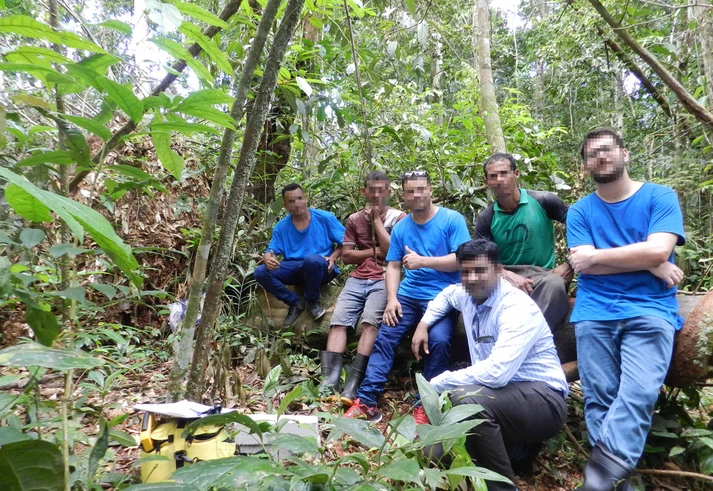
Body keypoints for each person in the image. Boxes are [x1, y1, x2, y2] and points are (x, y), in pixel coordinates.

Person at [567, 128, 685, 491]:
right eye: (592, 154)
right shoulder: (580, 210)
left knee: (638, 393)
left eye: (606, 150)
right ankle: (616, 485)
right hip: (594, 311)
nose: (600, 157)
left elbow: (657, 250)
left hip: (649, 310)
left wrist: (646, 258)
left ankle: (599, 479)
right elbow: (583, 265)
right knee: (599, 398)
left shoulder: (659, 197)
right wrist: (647, 260)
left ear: (624, 154)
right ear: (586, 165)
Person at [411, 239, 568, 491]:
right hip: (499, 400)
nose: (472, 278)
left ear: (498, 270)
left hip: (543, 399)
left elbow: (496, 373)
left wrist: (436, 383)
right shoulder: (466, 294)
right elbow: (446, 295)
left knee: (467, 399)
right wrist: (423, 324)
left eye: (480, 270)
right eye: (466, 271)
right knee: (433, 450)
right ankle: (514, 452)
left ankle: (503, 488)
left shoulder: (515, 307)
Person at [344, 170, 471, 422]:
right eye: (411, 191)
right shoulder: (402, 227)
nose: (417, 194)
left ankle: (427, 403)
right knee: (386, 336)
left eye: (421, 189)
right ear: (403, 195)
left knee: (439, 341)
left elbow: (462, 260)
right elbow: (392, 265)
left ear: (430, 190)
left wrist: (423, 261)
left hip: (443, 296)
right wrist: (392, 299)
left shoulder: (451, 220)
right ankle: (367, 400)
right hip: (408, 295)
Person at [320, 170, 406, 405]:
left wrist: (377, 222)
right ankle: (329, 381)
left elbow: (392, 253)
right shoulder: (354, 219)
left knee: (370, 324)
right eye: (372, 190)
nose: (376, 195)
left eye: (381, 190)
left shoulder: (399, 219)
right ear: (364, 192)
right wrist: (373, 251)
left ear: (389, 192)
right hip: (357, 279)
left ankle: (354, 383)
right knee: (339, 322)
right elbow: (347, 256)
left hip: (384, 278)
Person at [475, 153, 572, 331]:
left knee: (555, 284)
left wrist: (569, 264)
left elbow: (580, 225)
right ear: (487, 181)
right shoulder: (487, 217)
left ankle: (530, 339)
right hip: (506, 275)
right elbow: (480, 259)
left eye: (504, 173)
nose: (499, 180)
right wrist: (505, 274)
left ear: (516, 174)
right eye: (493, 176)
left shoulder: (543, 200)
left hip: (543, 274)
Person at [254, 183, 345, 327]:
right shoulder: (281, 227)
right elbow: (271, 251)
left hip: (321, 267)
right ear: (285, 205)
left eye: (299, 198)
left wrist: (333, 257)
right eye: (291, 201)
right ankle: (295, 302)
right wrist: (267, 258)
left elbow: (346, 241)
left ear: (305, 198)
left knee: (312, 260)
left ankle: (312, 301)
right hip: (295, 269)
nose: (297, 204)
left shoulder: (324, 218)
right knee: (260, 272)